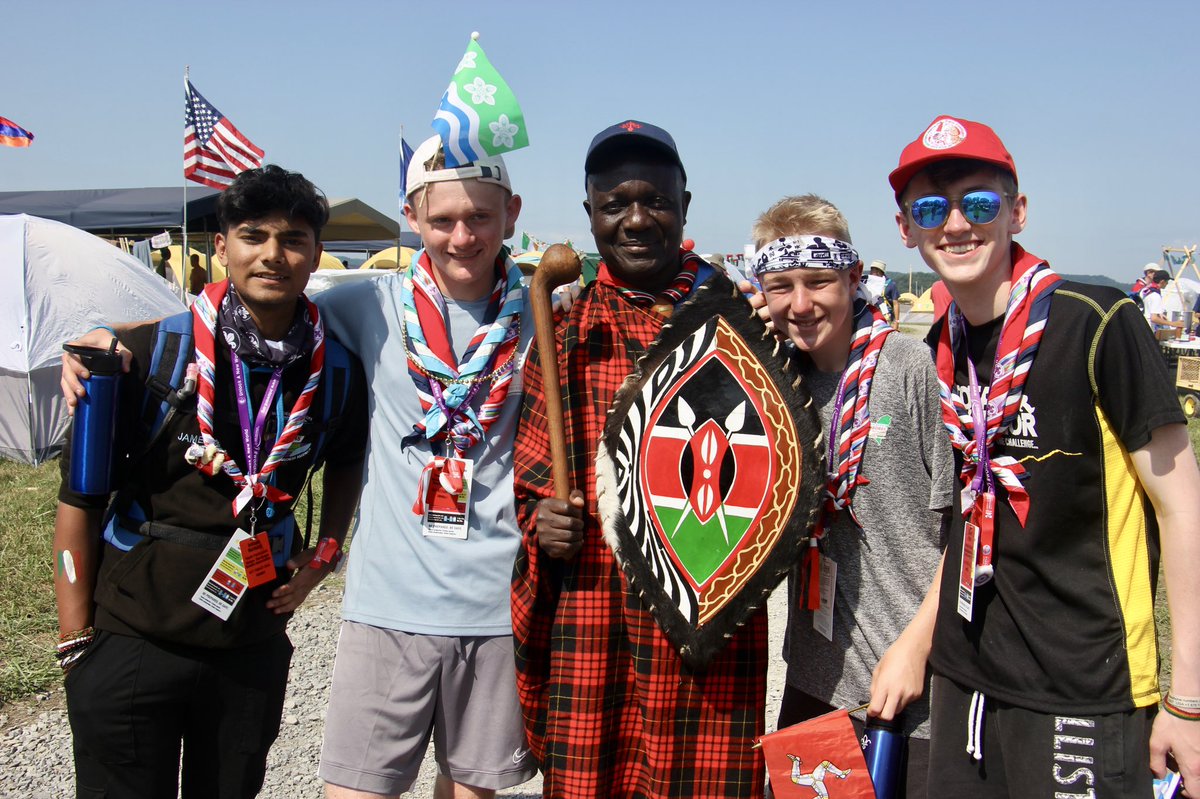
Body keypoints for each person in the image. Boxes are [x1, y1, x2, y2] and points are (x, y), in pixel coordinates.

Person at [891, 114, 1200, 797]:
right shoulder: (941, 340)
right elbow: (970, 511)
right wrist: (919, 640)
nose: (955, 225)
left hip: (1083, 685)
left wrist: (1190, 701)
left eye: (978, 203)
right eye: (931, 209)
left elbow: (1185, 508)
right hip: (969, 675)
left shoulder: (1096, 321)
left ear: (1017, 211)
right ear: (906, 229)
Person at [53, 164, 368, 799]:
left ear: (316, 254)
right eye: (253, 236)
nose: (273, 255)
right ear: (221, 247)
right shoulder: (144, 355)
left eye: (294, 239)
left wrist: (324, 555)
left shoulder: (335, 368)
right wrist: (75, 639)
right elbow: (80, 497)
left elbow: (347, 460)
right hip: (133, 635)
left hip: (248, 641)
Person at [512, 120, 765, 798]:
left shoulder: (737, 331)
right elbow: (532, 478)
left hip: (702, 624)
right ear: (589, 212)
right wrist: (543, 525)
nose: (636, 219)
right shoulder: (562, 333)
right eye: (615, 202)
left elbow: (774, 482)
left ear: (684, 204)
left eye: (654, 200)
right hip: (593, 616)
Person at [314, 135, 537, 799]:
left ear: (512, 212)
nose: (462, 237)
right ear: (411, 217)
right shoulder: (367, 303)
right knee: (354, 789)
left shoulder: (545, 318)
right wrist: (111, 340)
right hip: (388, 603)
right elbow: (246, 315)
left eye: (480, 217)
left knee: (470, 789)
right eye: (441, 220)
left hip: (496, 609)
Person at [751, 195, 953, 799]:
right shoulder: (779, 379)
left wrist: (916, 648)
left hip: (913, 682)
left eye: (819, 282)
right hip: (815, 676)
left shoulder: (909, 367)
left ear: (854, 277)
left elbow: (969, 526)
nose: (802, 303)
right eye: (780, 286)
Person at [1142, 269, 1185, 336]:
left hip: (1141, 326)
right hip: (1149, 329)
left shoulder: (1146, 290)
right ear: (1162, 281)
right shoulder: (1156, 296)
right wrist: (1172, 323)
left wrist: (1159, 314)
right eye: (1167, 281)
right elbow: (1154, 318)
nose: (1167, 284)